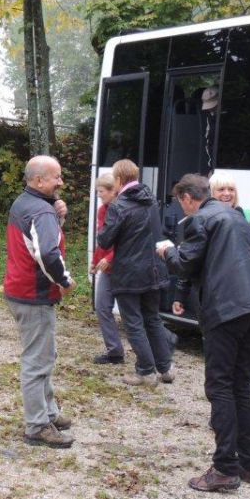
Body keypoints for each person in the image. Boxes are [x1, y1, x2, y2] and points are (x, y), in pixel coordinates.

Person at [157, 173, 250, 492]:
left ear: (186, 198)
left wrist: (167, 250)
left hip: (227, 311)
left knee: (220, 386)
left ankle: (224, 468)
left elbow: (185, 264)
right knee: (241, 385)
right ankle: (249, 464)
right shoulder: (237, 217)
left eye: (180, 202)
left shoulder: (200, 219)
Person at [4, 156, 76, 449]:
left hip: (20, 291)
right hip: (34, 295)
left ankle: (49, 412)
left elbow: (35, 240)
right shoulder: (40, 211)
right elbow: (47, 253)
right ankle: (37, 425)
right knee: (37, 361)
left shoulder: (24, 202)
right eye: (55, 177)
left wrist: (56, 215)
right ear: (38, 181)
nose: (61, 182)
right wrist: (65, 280)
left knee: (44, 354)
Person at [97, 158, 174, 387]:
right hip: (154, 269)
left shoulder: (119, 206)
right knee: (152, 318)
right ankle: (166, 368)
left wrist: (103, 229)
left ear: (119, 180)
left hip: (130, 272)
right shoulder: (151, 200)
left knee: (133, 322)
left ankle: (145, 371)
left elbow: (105, 239)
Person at [172, 170, 250, 317]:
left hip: (248, 294)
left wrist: (242, 241)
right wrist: (180, 296)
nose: (227, 193)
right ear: (210, 194)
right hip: (217, 298)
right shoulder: (202, 220)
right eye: (221, 189)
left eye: (231, 189)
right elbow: (191, 260)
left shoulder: (248, 216)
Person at [90, 171, 124, 364]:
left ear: (113, 191)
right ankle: (115, 352)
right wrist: (96, 260)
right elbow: (102, 239)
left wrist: (110, 258)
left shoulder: (123, 209)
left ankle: (165, 340)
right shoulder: (103, 210)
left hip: (124, 267)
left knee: (132, 314)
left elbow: (126, 242)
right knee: (102, 306)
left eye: (101, 191)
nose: (99, 195)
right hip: (108, 269)